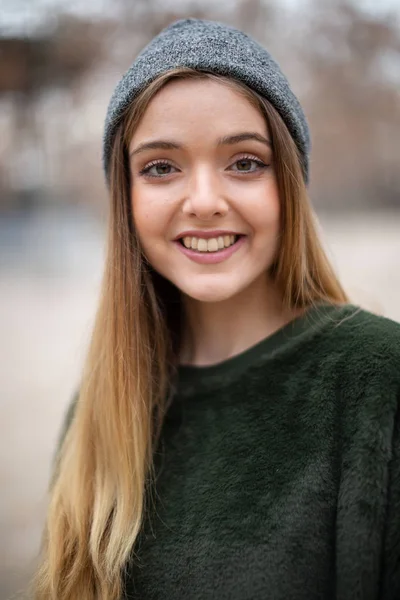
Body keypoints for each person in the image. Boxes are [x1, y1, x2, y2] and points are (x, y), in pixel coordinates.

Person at [33, 18, 400, 600]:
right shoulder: (100, 409)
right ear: (126, 201)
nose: (203, 202)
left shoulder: (377, 376)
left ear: (289, 185)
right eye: (161, 167)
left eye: (245, 162)